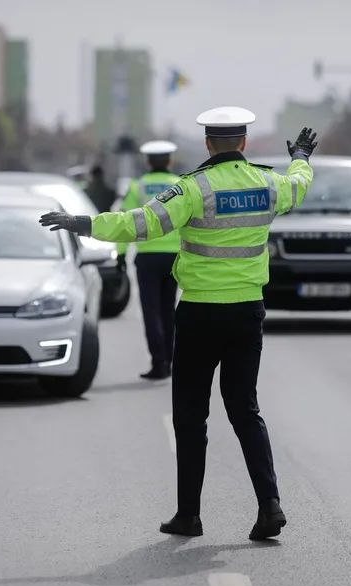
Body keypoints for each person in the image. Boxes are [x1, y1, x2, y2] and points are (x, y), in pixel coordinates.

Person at [39, 106, 317, 540]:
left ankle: (189, 515)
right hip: (248, 312)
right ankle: (270, 506)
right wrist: (300, 155)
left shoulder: (193, 189)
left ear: (209, 143)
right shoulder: (269, 184)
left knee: (190, 417)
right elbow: (299, 185)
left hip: (201, 314)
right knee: (245, 410)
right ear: (243, 144)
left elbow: (141, 224)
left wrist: (82, 223)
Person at [120, 140, 182, 380]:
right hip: (174, 257)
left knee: (151, 312)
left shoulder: (138, 187)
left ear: (148, 162)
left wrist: (121, 255)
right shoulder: (179, 185)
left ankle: (159, 363)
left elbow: (125, 222)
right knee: (170, 310)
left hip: (146, 258)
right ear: (169, 161)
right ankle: (172, 359)